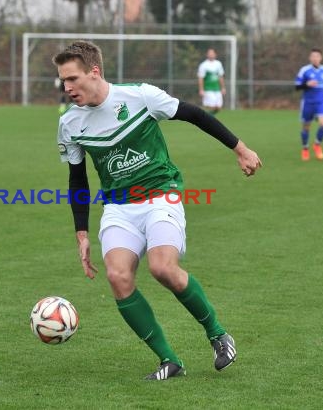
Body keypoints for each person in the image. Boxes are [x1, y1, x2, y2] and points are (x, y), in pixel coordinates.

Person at [54, 41, 262, 380]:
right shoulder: (70, 124)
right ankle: (169, 360)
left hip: (160, 196)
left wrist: (240, 149)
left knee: (163, 268)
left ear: (94, 72)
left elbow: (195, 114)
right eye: (63, 81)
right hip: (119, 208)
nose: (67, 88)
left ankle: (218, 334)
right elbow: (77, 180)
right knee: (118, 276)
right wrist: (81, 233)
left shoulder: (140, 97)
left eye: (73, 78)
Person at [295, 48, 323, 161]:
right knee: (306, 127)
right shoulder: (304, 70)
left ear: (321, 58)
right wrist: (307, 84)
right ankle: (305, 149)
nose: (315, 58)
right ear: (310, 58)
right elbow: (297, 86)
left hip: (321, 102)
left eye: (317, 56)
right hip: (308, 103)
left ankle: (317, 145)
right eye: (313, 56)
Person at [197, 48, 226, 115]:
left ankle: (206, 117)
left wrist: (223, 88)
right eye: (209, 53)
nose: (211, 55)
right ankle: (205, 117)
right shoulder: (203, 65)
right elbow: (201, 78)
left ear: (215, 54)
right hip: (208, 89)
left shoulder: (218, 64)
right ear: (207, 55)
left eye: (212, 53)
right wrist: (201, 90)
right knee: (211, 106)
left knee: (218, 107)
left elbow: (220, 77)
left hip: (217, 89)